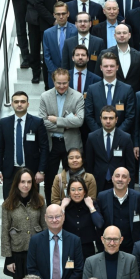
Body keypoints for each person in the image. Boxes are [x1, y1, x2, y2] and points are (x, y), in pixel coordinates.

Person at [26, 204, 84, 279]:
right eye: (50, 217)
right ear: (45, 218)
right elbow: (32, 269)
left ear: (63, 217)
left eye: (57, 216)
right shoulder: (35, 240)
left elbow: (78, 270)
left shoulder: (74, 240)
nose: (54, 220)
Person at [39, 68, 84, 205]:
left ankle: (71, 208)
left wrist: (56, 120)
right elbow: (42, 122)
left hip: (71, 144)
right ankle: (51, 207)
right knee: (49, 179)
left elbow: (79, 121)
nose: (62, 86)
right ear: (53, 81)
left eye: (65, 83)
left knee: (73, 179)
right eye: (58, 83)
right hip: (52, 143)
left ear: (69, 81)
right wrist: (66, 124)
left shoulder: (78, 96)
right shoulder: (45, 96)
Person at [1, 168, 46, 279]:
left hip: (37, 253)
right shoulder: (8, 203)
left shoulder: (40, 200)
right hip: (17, 254)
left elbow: (45, 227)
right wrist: (9, 258)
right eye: (22, 182)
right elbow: (5, 231)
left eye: (29, 182)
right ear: (17, 183)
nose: (26, 185)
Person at [0, 91, 48, 200]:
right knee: (9, 203)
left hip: (31, 170)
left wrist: (41, 170)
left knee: (32, 204)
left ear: (28, 104)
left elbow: (44, 148)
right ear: (12, 104)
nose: (19, 104)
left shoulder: (37, 122)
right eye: (16, 102)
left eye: (23, 102)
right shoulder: (4, 123)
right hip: (10, 170)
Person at [86, 106, 135, 194]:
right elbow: (89, 165)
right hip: (98, 182)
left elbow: (130, 166)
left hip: (120, 183)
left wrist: (130, 190)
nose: (108, 121)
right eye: (105, 118)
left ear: (116, 119)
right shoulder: (92, 137)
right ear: (100, 119)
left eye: (111, 118)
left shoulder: (126, 138)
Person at [97, 167, 140, 254]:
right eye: (117, 176)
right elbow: (100, 224)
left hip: (132, 247)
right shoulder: (102, 197)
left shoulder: (139, 197)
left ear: (129, 180)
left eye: (124, 177)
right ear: (112, 178)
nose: (120, 179)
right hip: (110, 246)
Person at [85, 52, 135, 134]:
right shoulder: (92, 89)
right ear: (101, 67)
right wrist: (100, 134)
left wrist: (116, 134)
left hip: (120, 136)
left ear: (117, 67)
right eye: (106, 66)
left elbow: (130, 116)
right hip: (97, 136)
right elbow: (89, 115)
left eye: (112, 66)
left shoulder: (127, 89)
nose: (109, 69)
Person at [93, 23, 140, 93]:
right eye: (119, 33)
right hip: (111, 95)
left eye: (124, 33)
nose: (122, 35)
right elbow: (98, 77)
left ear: (129, 35)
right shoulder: (104, 54)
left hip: (134, 96)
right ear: (114, 36)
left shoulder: (139, 56)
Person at [61, 176, 104, 262]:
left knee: (88, 269)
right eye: (73, 190)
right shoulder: (64, 206)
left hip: (87, 247)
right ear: (69, 192)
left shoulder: (92, 204)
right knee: (69, 269)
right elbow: (56, 225)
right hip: (68, 246)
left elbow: (99, 224)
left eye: (80, 189)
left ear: (84, 191)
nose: (76, 193)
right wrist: (62, 207)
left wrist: (91, 207)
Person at [42, 2, 77, 88]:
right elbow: (47, 56)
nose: (61, 17)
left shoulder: (76, 30)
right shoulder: (47, 33)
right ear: (54, 15)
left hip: (72, 74)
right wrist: (55, 73)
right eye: (58, 14)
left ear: (68, 14)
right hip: (53, 76)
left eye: (63, 13)